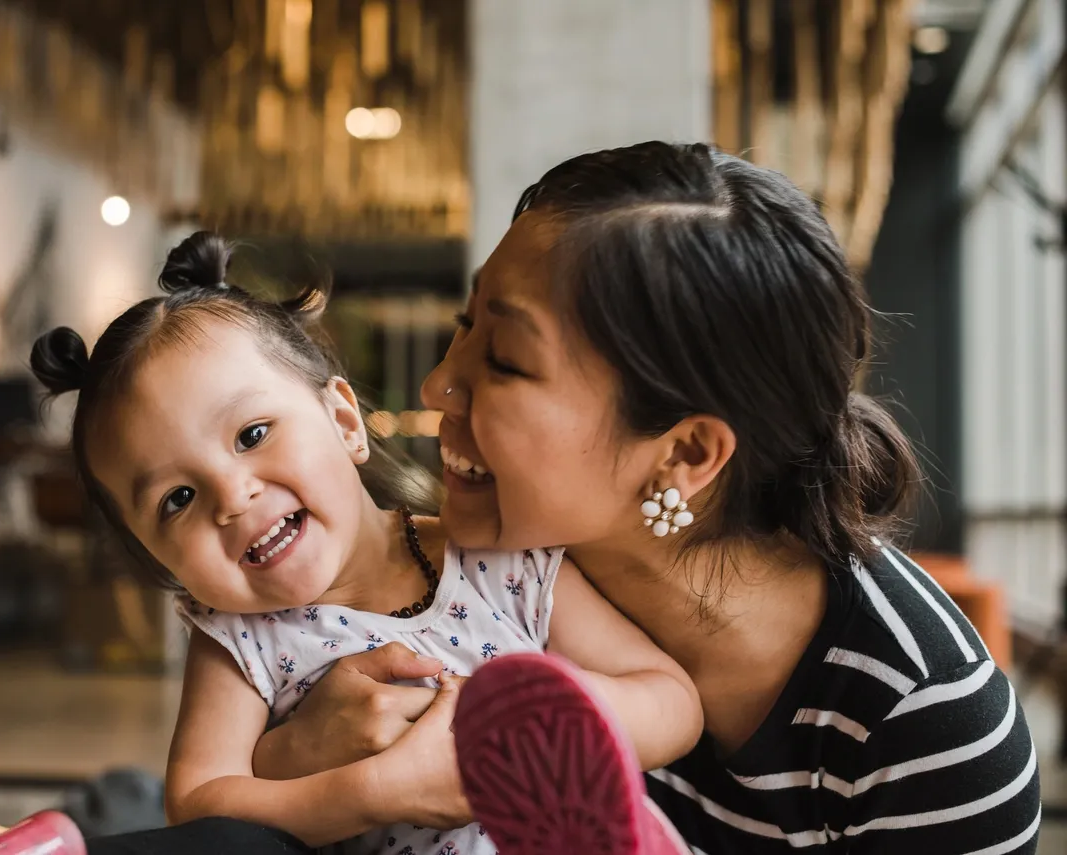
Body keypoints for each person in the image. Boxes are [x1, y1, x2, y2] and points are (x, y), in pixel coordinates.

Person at [252, 142, 1042, 853]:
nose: (438, 385)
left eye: (505, 360)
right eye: (464, 324)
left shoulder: (923, 722)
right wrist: (295, 752)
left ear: (686, 452)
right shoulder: (478, 579)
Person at [30, 232, 702, 854]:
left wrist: (539, 722)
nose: (232, 498)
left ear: (344, 420)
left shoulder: (502, 564)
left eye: (253, 434)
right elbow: (201, 802)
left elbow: (672, 699)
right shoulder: (241, 638)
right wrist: (373, 792)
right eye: (178, 499)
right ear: (160, 558)